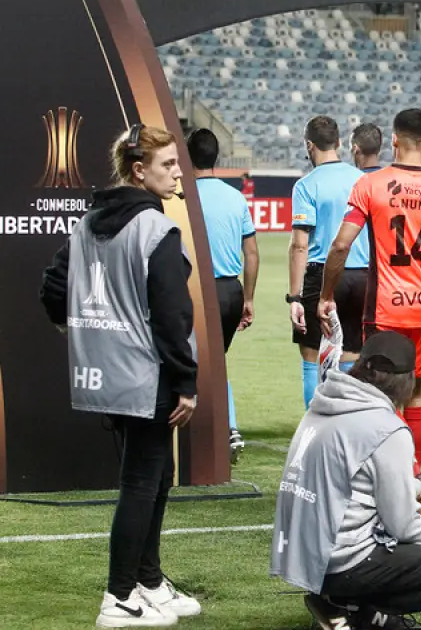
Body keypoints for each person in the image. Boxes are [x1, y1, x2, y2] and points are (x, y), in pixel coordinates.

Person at [40, 124, 202, 627]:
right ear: (139, 171)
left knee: (157, 474)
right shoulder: (155, 229)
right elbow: (173, 316)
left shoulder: (87, 223)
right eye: (168, 165)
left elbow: (52, 290)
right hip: (147, 374)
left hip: (108, 373)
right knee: (140, 480)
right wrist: (186, 382)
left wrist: (90, 335)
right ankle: (118, 598)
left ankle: (148, 580)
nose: (178, 172)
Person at [271, 331, 421, 629]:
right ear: (407, 380)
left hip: (301, 555)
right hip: (341, 562)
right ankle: (353, 609)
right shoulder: (387, 427)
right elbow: (403, 524)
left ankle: (349, 608)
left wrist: (416, 488)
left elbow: (353, 474)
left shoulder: (323, 405)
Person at [320, 108, 421, 481]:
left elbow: (341, 246)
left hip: (386, 309)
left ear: (393, 140)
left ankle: (380, 474)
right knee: (418, 394)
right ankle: (412, 472)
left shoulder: (370, 185)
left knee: (379, 397)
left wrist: (326, 295)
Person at [287, 116, 371, 407]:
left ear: (309, 145)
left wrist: (295, 296)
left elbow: (300, 245)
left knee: (312, 354)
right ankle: (350, 424)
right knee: (352, 355)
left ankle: (315, 428)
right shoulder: (363, 180)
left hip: (322, 274)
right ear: (338, 143)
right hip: (362, 275)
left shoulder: (306, 185)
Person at [187, 129, 258, 462]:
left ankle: (206, 428)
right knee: (217, 361)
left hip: (197, 288)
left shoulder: (180, 196)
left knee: (193, 359)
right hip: (231, 289)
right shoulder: (236, 198)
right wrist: (249, 299)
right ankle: (228, 428)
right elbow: (252, 253)